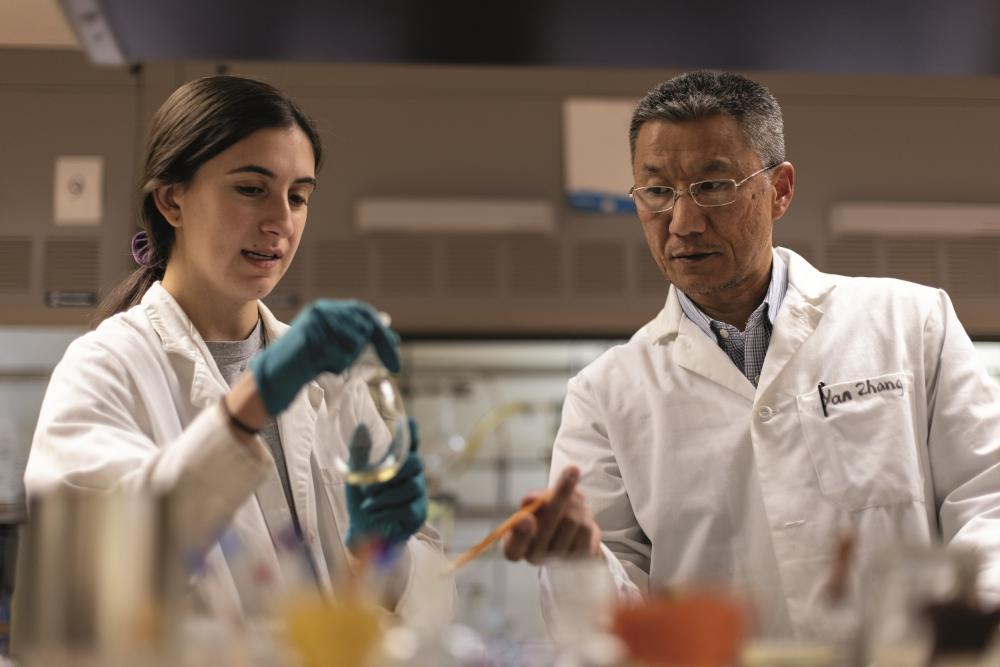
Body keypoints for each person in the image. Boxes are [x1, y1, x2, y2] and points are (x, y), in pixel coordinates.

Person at [503, 70, 1000, 644]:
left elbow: (987, 503)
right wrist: (579, 559)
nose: (684, 224)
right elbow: (612, 623)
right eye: (658, 192)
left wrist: (963, 645)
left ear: (780, 189)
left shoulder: (912, 323)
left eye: (714, 186)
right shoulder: (605, 395)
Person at [23, 75, 453, 620]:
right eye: (252, 189)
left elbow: (432, 595)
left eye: (298, 196)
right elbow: (94, 574)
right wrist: (255, 400)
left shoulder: (330, 377)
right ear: (172, 199)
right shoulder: (106, 368)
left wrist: (382, 557)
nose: (281, 221)